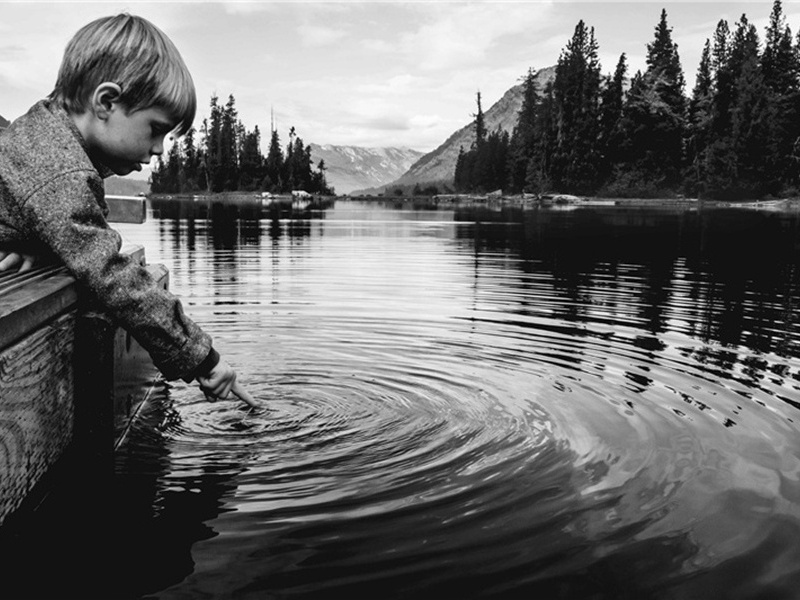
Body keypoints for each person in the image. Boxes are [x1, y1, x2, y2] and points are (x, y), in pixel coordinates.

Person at [0, 13, 255, 406]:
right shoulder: (59, 167)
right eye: (155, 129)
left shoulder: (45, 139)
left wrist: (36, 239)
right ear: (105, 102)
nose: (158, 150)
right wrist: (203, 358)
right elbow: (112, 276)